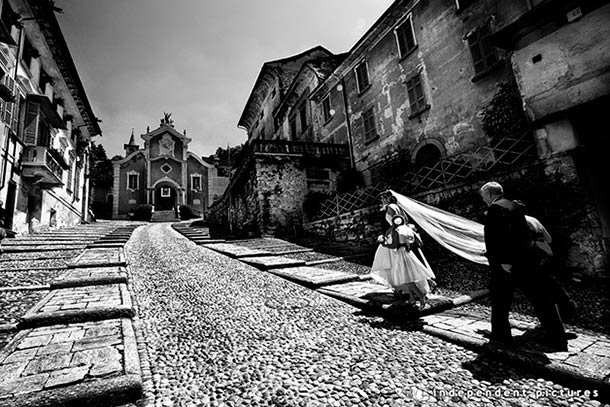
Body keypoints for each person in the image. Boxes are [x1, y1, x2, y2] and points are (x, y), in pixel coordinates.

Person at [479, 181, 569, 351]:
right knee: (542, 299)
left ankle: (501, 334)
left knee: (499, 300)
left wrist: (500, 262)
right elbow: (521, 234)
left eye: (484, 196)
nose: (484, 200)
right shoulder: (515, 206)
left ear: (490, 194)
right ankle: (557, 337)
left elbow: (494, 239)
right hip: (526, 259)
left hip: (509, 264)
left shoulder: (495, 209)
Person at [371, 192, 435, 309]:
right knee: (405, 273)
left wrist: (386, 238)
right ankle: (411, 296)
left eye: (382, 199)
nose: (381, 201)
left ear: (387, 198)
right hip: (404, 244)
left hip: (396, 244)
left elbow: (393, 226)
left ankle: (415, 295)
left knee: (400, 272)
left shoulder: (391, 208)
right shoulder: (400, 209)